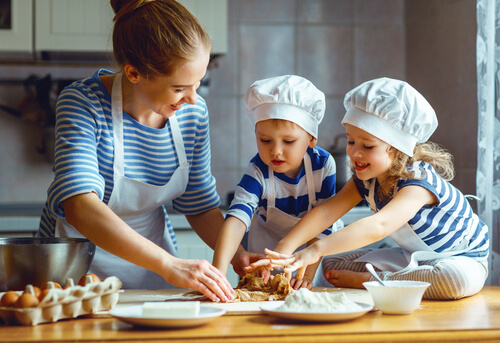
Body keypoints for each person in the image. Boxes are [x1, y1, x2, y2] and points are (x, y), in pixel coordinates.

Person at [37, 0, 242, 302]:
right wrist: (169, 264)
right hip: (75, 268)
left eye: (198, 83)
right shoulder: (82, 103)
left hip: (153, 268)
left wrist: (240, 256)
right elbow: (80, 206)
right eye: (179, 88)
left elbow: (199, 206)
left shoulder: (192, 115)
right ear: (133, 73)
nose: (193, 99)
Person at [249, 77, 489, 300]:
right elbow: (325, 213)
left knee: (452, 281)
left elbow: (379, 226)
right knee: (331, 264)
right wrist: (284, 249)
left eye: (368, 145)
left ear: (398, 148)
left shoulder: (419, 182)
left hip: (462, 259)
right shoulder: (367, 179)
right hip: (413, 258)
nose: (354, 152)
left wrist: (314, 250)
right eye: (351, 141)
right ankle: (387, 280)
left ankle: (380, 281)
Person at [213, 75, 342, 290]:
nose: (275, 151)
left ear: (311, 138)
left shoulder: (323, 165)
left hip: (310, 258)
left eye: (288, 141)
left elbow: (323, 224)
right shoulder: (258, 171)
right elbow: (235, 221)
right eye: (265, 140)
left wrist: (306, 277)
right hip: (265, 257)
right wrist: (218, 274)